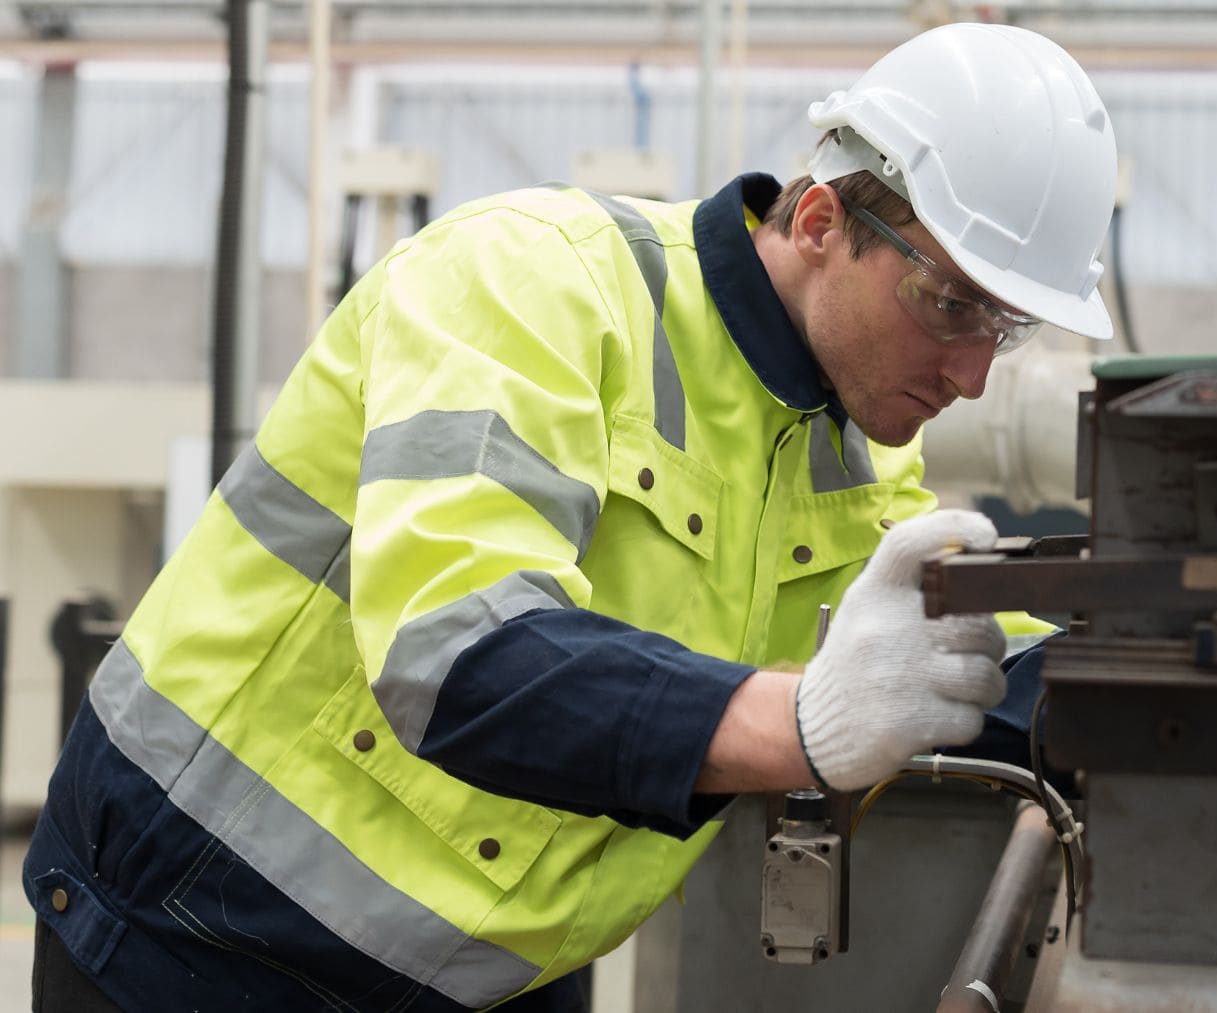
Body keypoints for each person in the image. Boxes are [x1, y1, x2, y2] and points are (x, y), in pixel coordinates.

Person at [25, 21, 1117, 1012]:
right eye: (951, 303)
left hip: (486, 972)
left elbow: (944, 660)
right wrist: (797, 723)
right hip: (199, 929)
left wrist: (1157, 682)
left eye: (1006, 325)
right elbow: (455, 653)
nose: (975, 373)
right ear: (825, 219)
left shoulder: (848, 446)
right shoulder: (535, 282)